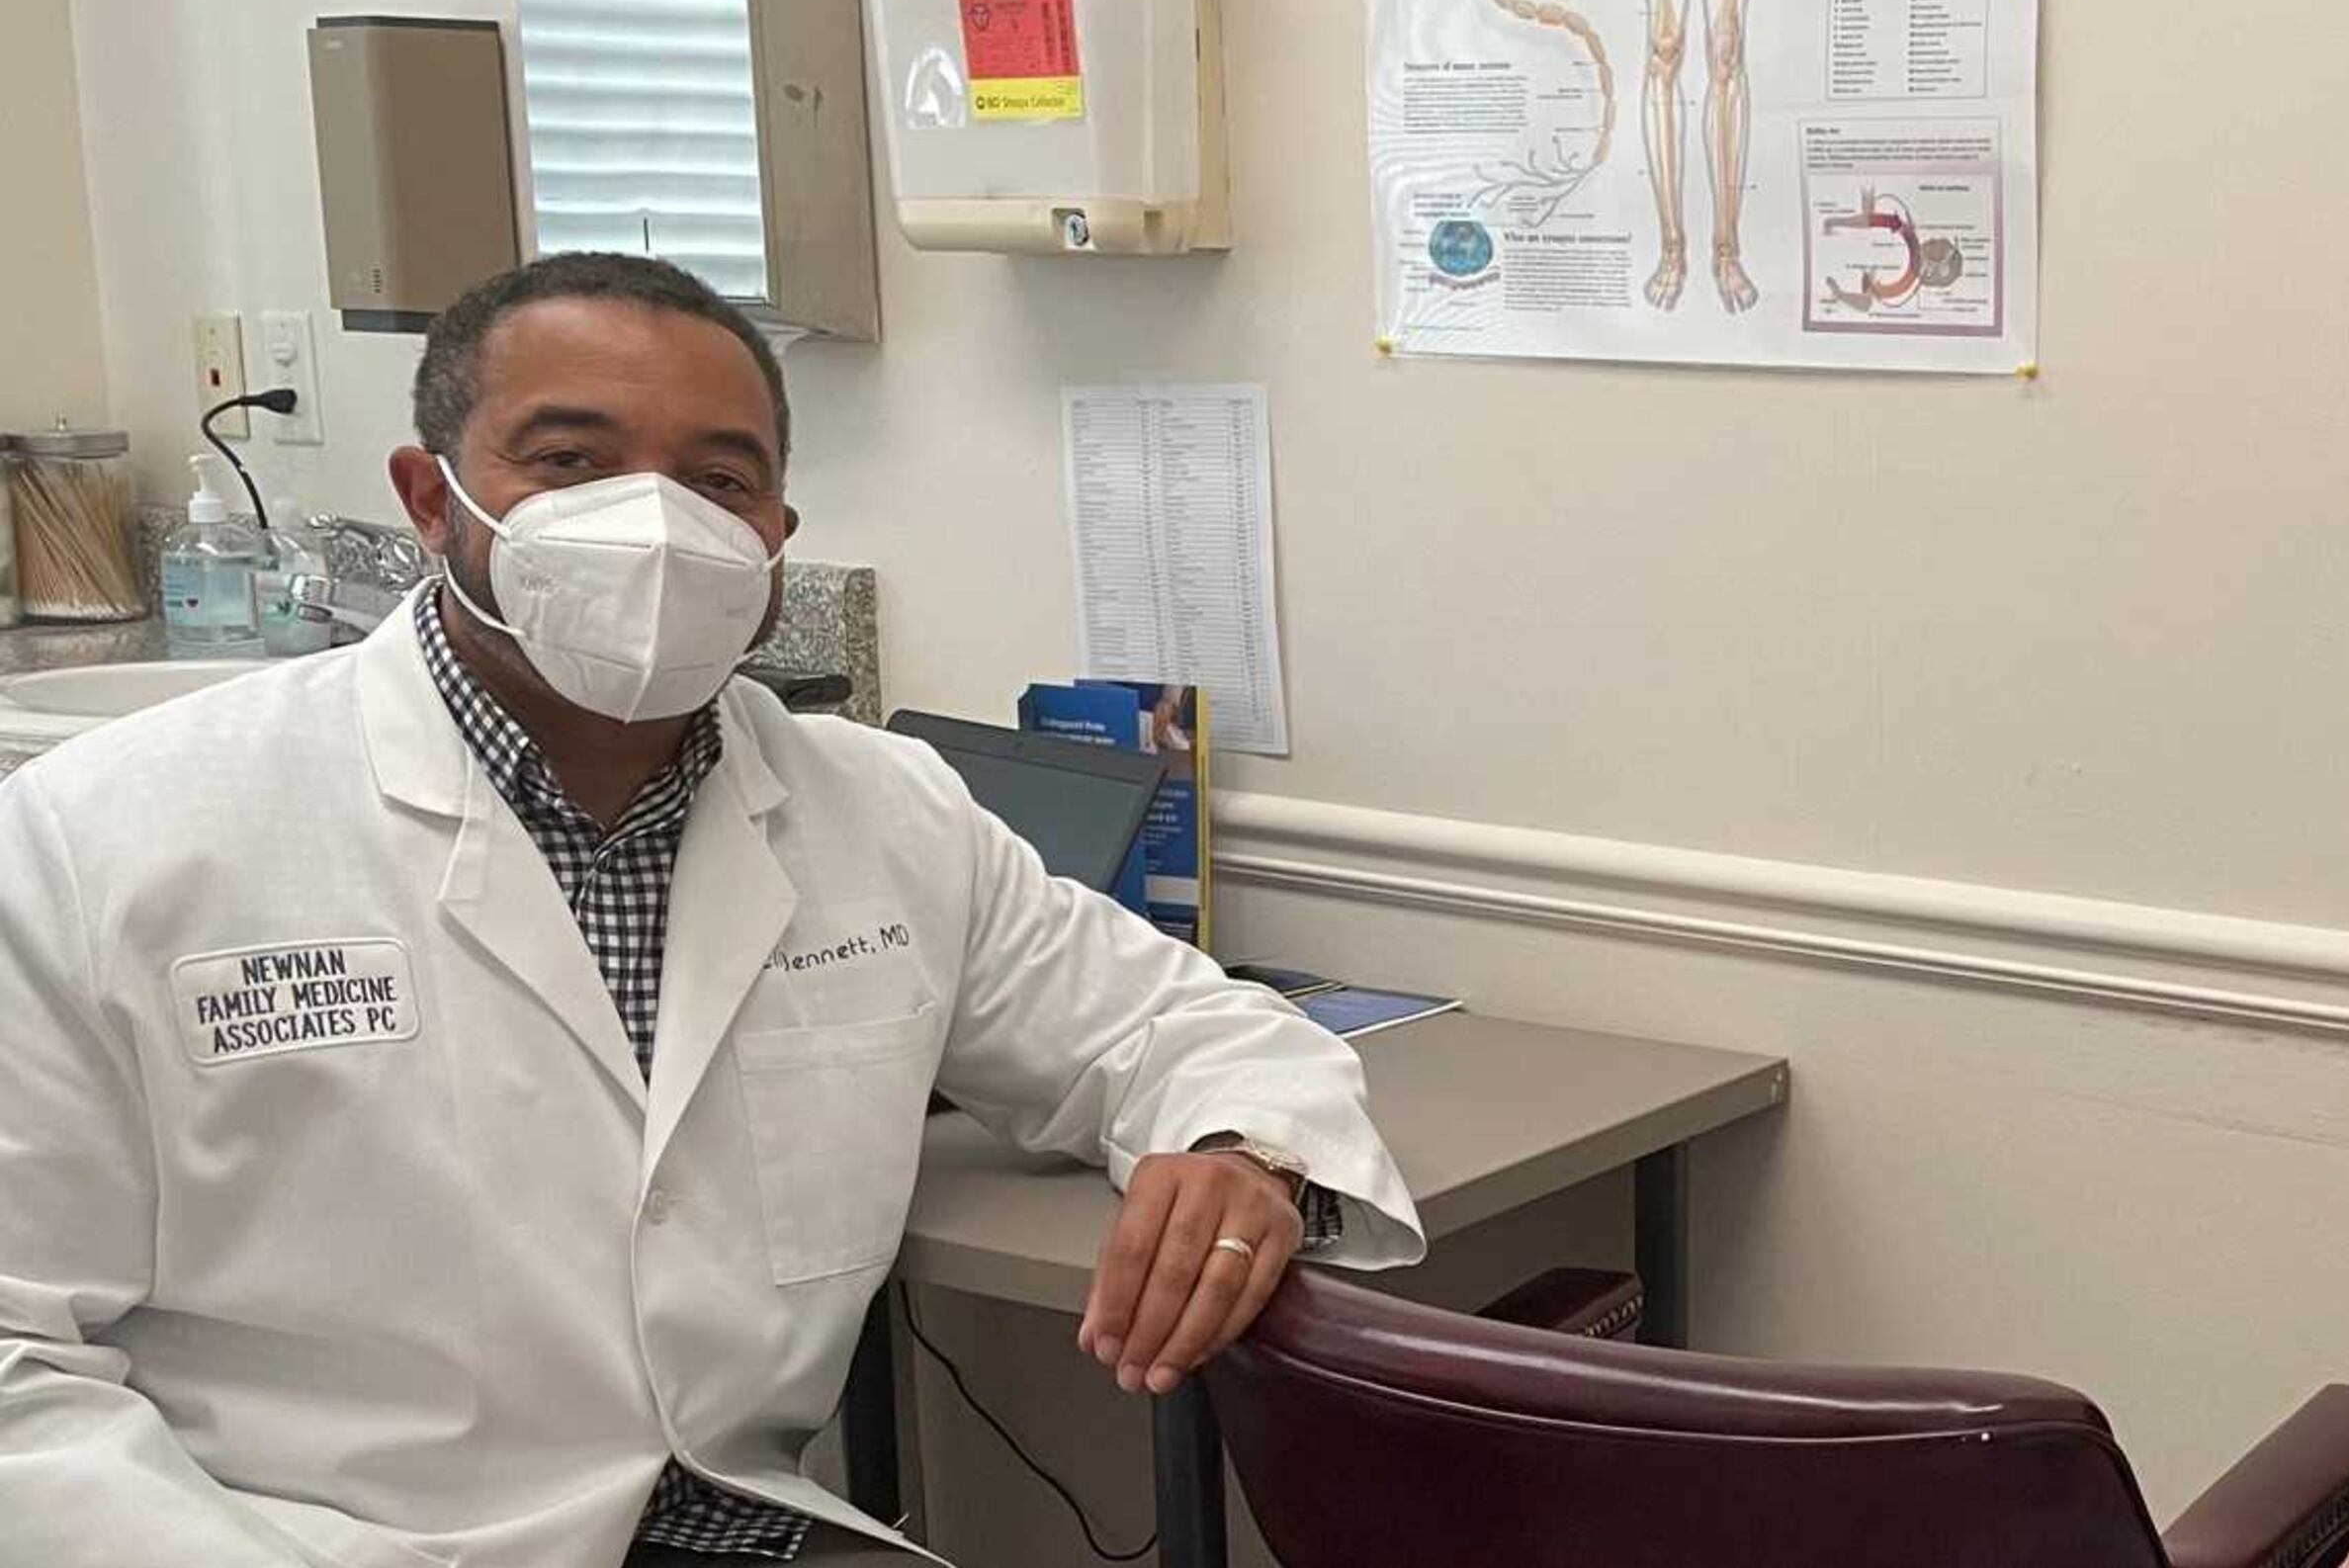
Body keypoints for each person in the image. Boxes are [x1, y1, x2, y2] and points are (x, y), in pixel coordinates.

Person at [0, 253, 1423, 1566]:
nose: (655, 525)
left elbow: (1186, 1028)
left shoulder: (881, 811)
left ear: (776, 538)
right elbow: (22, 1370)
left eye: (719, 480)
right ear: (433, 499)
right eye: (570, 462)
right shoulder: (112, 835)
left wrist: (1243, 1157)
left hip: (737, 1526)